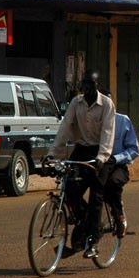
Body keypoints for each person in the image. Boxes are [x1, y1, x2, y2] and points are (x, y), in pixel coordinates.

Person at [47, 70, 116, 258]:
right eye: (84, 85)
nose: (87, 88)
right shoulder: (75, 103)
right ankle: (84, 219)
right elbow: (65, 128)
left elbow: (108, 134)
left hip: (100, 153)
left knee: (96, 194)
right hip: (82, 149)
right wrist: (52, 153)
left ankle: (93, 239)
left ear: (97, 85)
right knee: (70, 187)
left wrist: (102, 158)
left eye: (91, 85)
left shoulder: (107, 105)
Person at [100, 89, 139, 239]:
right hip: (98, 164)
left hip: (117, 165)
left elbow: (134, 149)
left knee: (113, 183)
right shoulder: (92, 122)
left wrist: (117, 158)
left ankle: (119, 216)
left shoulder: (123, 121)